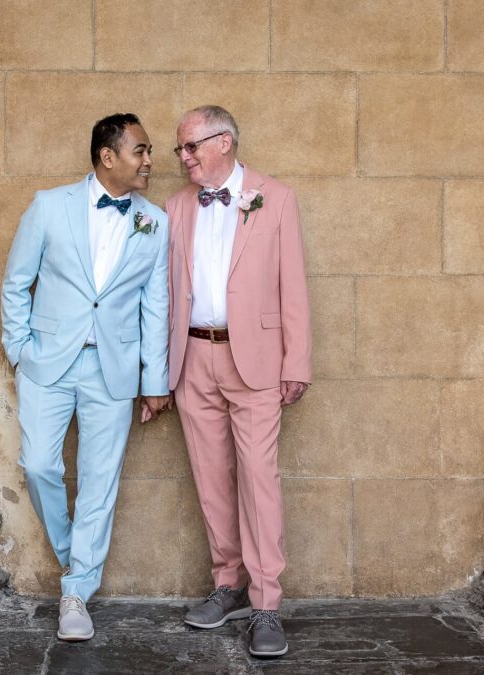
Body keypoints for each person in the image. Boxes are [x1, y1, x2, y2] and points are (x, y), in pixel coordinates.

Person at [0, 113, 170, 642]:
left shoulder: (155, 222)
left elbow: (156, 305)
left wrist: (155, 379)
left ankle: (76, 590)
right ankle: (78, 553)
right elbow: (16, 283)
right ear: (107, 156)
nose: (149, 161)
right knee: (39, 465)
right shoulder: (50, 206)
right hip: (48, 361)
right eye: (140, 150)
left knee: (100, 481)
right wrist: (19, 351)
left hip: (113, 369)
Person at [165, 105, 311, 658]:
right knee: (210, 477)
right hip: (193, 357)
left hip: (256, 362)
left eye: (190, 147)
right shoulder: (176, 206)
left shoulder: (275, 197)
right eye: (180, 149)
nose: (182, 158)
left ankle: (267, 602)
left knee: (258, 477)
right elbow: (165, 292)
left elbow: (292, 284)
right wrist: (159, 372)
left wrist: (296, 361)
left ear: (222, 142)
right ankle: (228, 585)